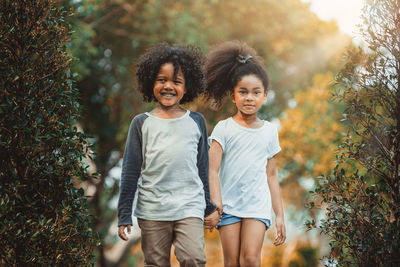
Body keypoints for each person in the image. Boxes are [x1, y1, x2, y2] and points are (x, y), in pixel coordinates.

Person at [117, 43, 220, 267]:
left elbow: (202, 167)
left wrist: (208, 206)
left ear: (187, 86)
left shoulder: (196, 121)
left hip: (189, 206)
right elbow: (130, 171)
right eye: (161, 80)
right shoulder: (141, 123)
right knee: (156, 263)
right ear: (150, 82)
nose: (168, 86)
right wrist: (124, 214)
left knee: (194, 258)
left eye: (177, 81)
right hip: (152, 209)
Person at [203, 40, 286, 267]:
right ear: (233, 95)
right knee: (231, 262)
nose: (249, 97)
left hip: (257, 205)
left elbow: (271, 176)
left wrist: (279, 215)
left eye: (255, 92)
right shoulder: (223, 128)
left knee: (250, 259)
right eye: (243, 92)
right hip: (227, 205)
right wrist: (215, 202)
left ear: (264, 95)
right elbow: (212, 168)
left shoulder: (269, 130)